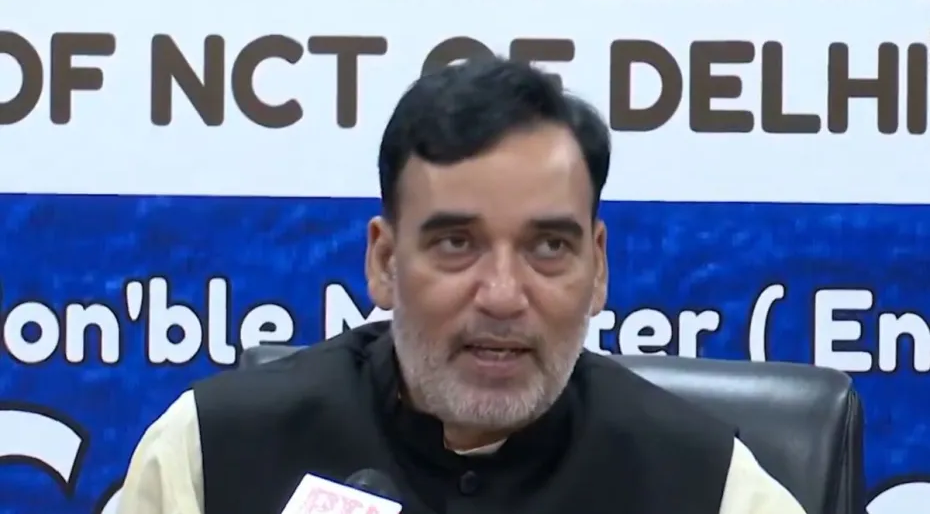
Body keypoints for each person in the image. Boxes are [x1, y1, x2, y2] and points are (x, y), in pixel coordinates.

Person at [117, 57, 808, 514]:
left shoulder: (710, 487)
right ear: (384, 261)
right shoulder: (209, 455)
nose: (503, 295)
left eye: (548, 247)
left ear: (598, 269)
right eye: (456, 243)